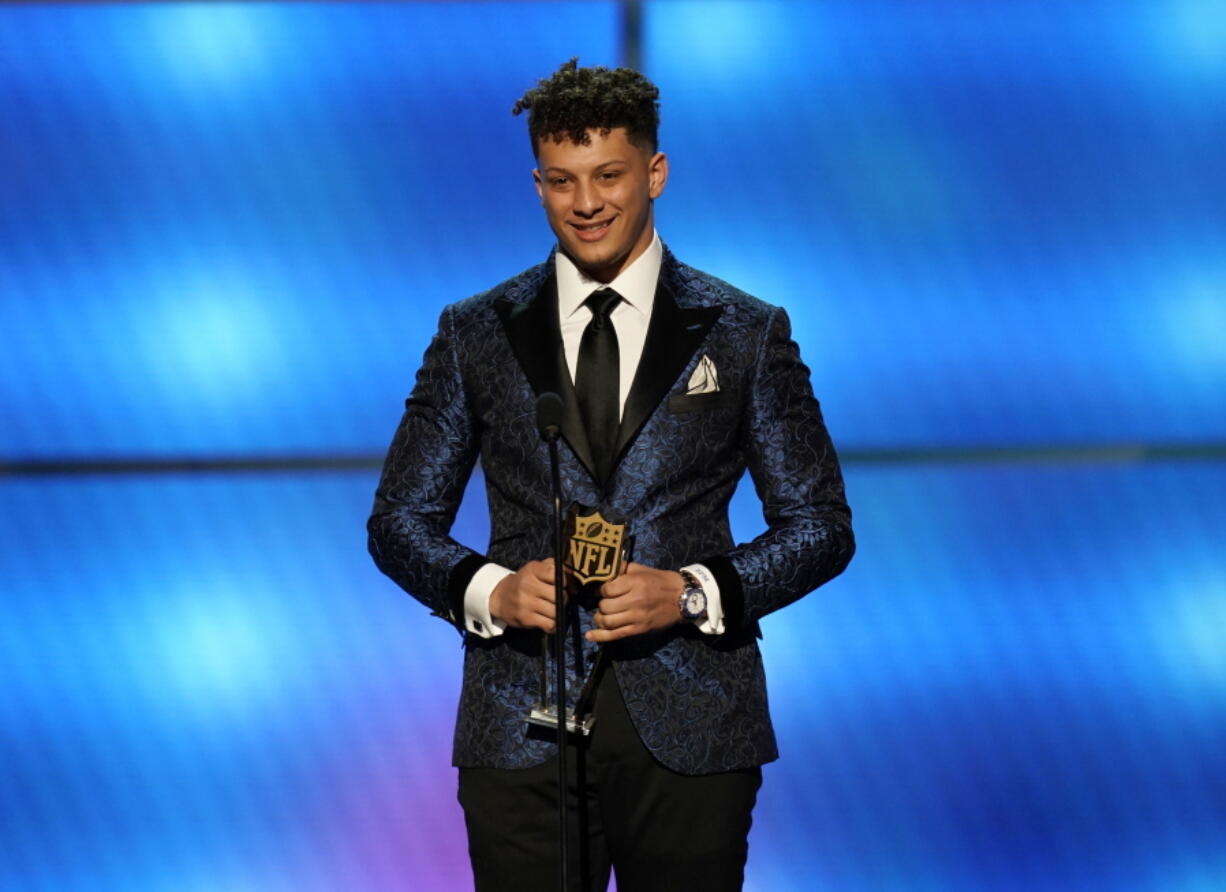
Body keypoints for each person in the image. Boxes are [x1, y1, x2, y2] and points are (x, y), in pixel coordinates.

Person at [367, 59, 854, 892]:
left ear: (654, 174)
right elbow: (398, 521)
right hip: (519, 717)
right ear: (537, 184)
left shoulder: (744, 332)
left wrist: (693, 592)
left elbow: (819, 525)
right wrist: (490, 590)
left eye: (608, 177)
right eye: (561, 181)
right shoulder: (475, 332)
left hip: (694, 715)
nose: (585, 203)